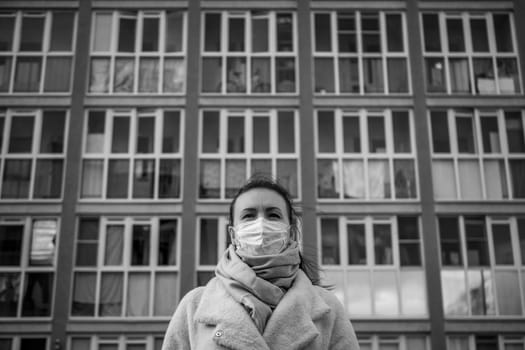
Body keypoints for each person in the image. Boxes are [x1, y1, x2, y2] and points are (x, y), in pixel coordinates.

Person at [162, 175, 360, 350]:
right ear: (233, 234)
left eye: (273, 215)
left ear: (290, 232)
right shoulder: (193, 306)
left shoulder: (328, 308)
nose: (261, 224)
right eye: (249, 216)